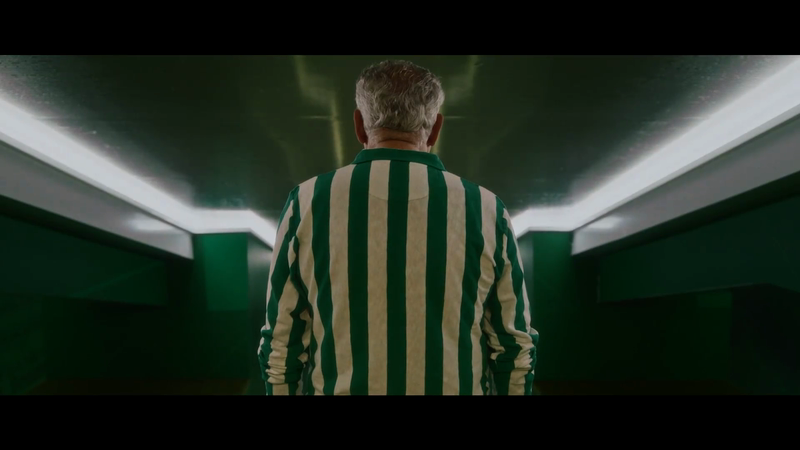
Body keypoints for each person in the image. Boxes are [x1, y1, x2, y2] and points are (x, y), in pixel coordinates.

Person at [258, 60, 538, 395]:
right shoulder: (487, 209)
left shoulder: (306, 203)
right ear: (435, 128)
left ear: (359, 126)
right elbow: (514, 346)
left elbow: (281, 344)